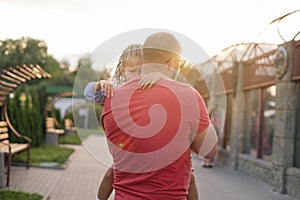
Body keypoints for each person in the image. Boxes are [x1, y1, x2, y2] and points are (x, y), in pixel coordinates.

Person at [100, 32, 218, 199]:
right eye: (181, 63)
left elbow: (122, 152)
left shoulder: (111, 99)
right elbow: (210, 151)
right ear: (173, 62)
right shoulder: (189, 97)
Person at [84, 44, 199, 200]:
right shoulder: (116, 88)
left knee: (188, 176)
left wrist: (160, 77)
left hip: (156, 143)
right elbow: (90, 95)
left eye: (143, 71)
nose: (138, 76)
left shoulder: (154, 86)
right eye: (132, 71)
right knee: (112, 173)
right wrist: (100, 85)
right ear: (123, 70)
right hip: (130, 148)